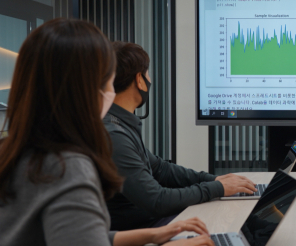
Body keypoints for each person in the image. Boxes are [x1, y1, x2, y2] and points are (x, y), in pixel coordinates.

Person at [0, 19, 215, 246]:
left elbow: (70, 243)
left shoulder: (19, 151)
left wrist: (152, 235)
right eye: (107, 82)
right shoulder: (66, 166)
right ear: (87, 89)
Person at [105, 42, 257, 231]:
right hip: (141, 231)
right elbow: (157, 200)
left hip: (150, 222)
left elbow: (161, 169)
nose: (149, 79)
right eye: (147, 73)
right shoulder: (114, 135)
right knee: (229, 223)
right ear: (140, 80)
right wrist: (217, 189)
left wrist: (216, 180)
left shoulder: (121, 123)